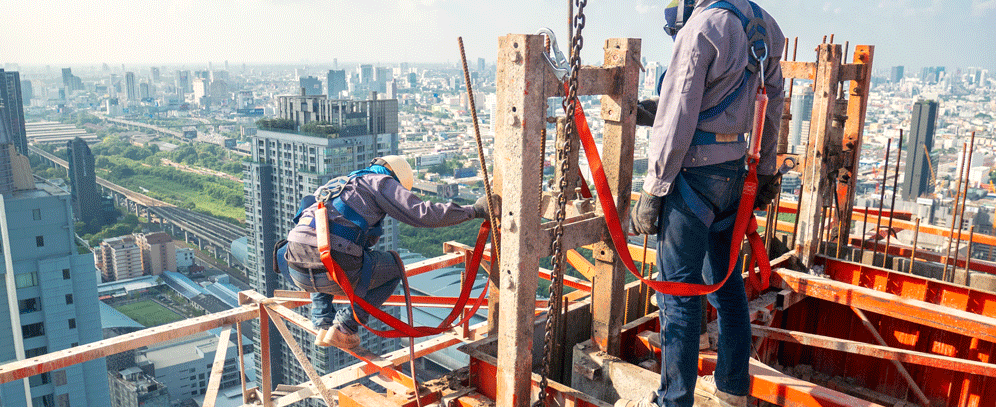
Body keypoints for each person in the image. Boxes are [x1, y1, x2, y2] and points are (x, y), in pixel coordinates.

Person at [621, 1, 783, 407]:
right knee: (726, 288)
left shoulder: (704, 26)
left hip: (693, 175)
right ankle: (732, 389)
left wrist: (655, 188)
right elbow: (771, 102)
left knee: (678, 295)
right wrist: (764, 170)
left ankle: (673, 401)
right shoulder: (765, 25)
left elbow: (678, 114)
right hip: (735, 174)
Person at [281, 155, 497, 349]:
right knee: (393, 267)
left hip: (296, 267)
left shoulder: (339, 185)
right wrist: (473, 211)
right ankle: (344, 327)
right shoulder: (381, 183)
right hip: (330, 267)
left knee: (324, 248)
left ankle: (322, 322)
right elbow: (423, 214)